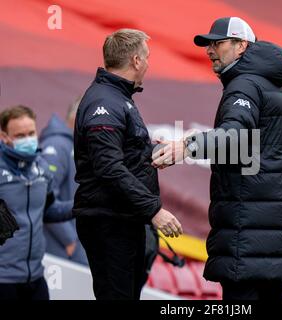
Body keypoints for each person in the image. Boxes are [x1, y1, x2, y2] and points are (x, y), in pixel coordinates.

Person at [152, 17, 282, 300]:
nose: (209, 50)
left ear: (241, 46)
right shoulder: (268, 86)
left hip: (248, 242)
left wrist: (186, 146)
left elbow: (233, 137)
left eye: (217, 43)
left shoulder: (244, 85)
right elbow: (250, 152)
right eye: (208, 44)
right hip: (273, 245)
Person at [73, 28, 183, 300]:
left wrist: (150, 150)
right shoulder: (105, 102)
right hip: (108, 222)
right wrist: (154, 210)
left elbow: (121, 154)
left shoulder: (118, 97)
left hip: (122, 219)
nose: (148, 63)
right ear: (135, 60)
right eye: (146, 57)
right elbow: (109, 168)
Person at [0, 105, 73, 300]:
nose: (28, 139)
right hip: (3, 280)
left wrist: (81, 204)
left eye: (31, 133)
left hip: (35, 276)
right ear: (4, 136)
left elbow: (49, 211)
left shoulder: (41, 167)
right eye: (20, 135)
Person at [39, 98, 88, 265]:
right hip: (60, 248)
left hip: (74, 246)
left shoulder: (76, 147)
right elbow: (44, 195)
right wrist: (69, 239)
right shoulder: (58, 146)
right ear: (77, 118)